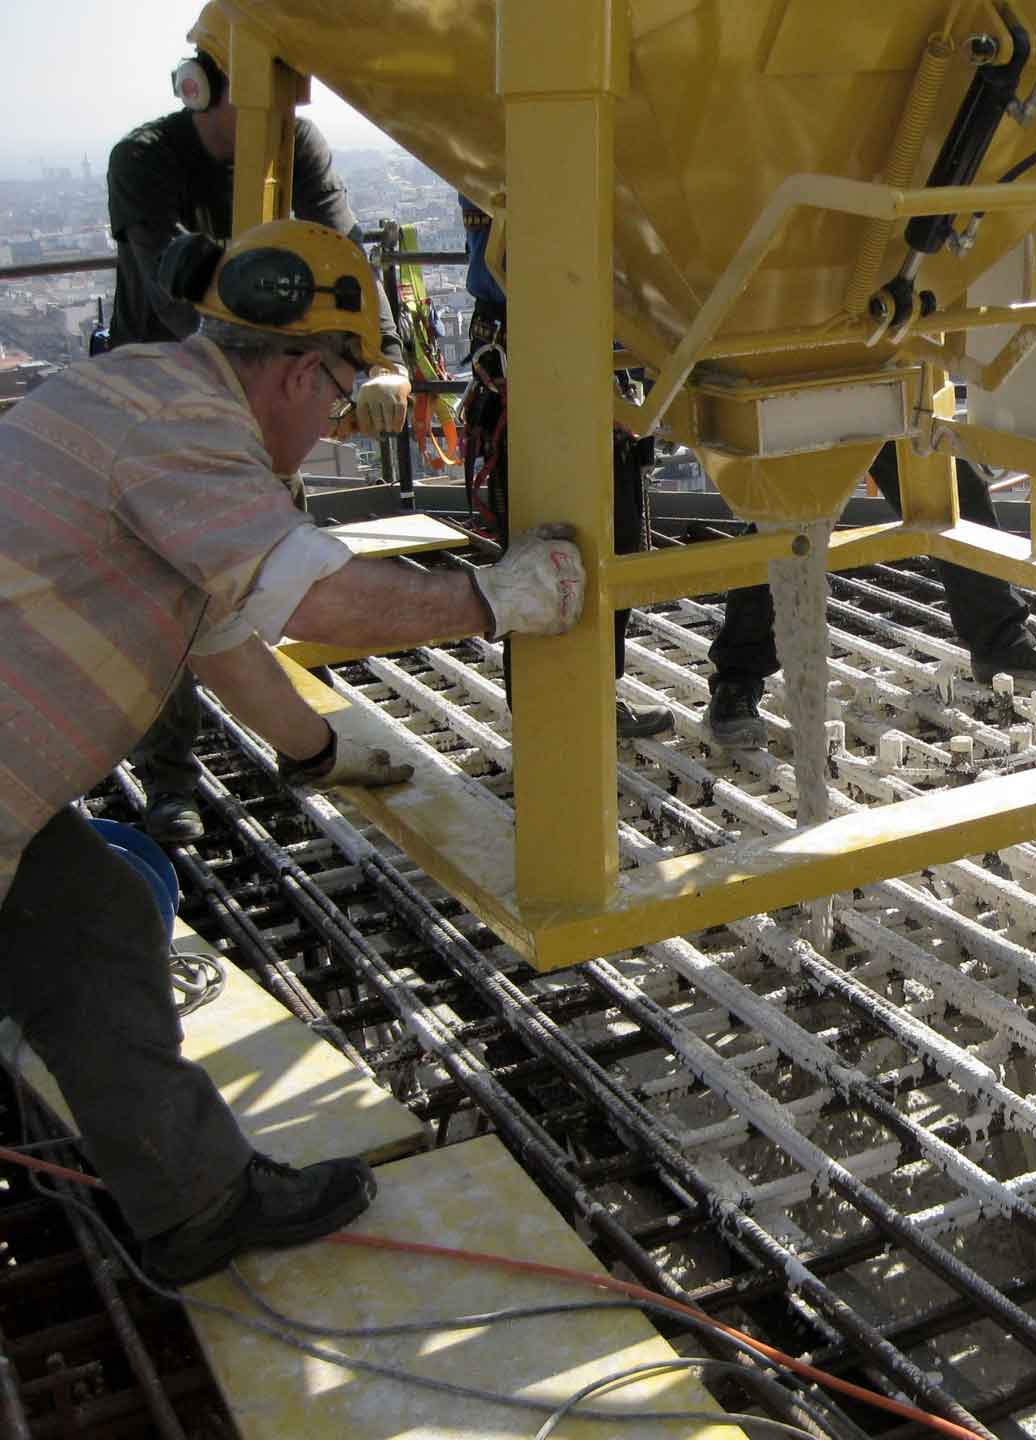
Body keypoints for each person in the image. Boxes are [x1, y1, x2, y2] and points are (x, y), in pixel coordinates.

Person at [0, 219, 586, 1283]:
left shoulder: (143, 393)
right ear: (298, 371)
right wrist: (492, 602)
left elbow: (220, 626)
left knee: (88, 920)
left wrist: (317, 751)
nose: (326, 427)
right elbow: (314, 595)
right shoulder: (183, 427)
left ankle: (198, 1205)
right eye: (334, 399)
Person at [106, 1, 415, 846]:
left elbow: (342, 259)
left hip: (263, 392)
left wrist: (380, 360)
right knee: (182, 595)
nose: (273, 122)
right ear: (200, 87)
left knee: (273, 576)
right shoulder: (144, 161)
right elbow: (173, 292)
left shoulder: (295, 148)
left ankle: (295, 736)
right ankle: (172, 781)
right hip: (161, 401)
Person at [703, 444, 1036, 748]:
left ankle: (1000, 644)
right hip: (809, 382)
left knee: (953, 492)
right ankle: (737, 678)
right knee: (785, 518)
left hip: (888, 375)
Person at [458, 195, 672, 739]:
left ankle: (596, 696)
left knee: (618, 547)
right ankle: (542, 713)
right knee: (543, 547)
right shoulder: (507, 146)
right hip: (531, 360)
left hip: (598, 355)